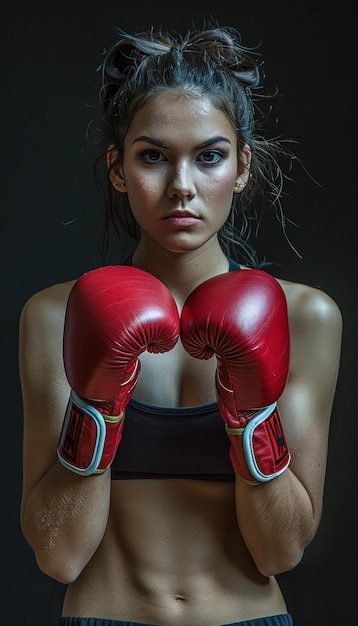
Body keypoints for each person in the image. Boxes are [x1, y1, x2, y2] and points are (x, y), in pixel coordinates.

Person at [19, 22, 342, 626]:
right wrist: (98, 406)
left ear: (242, 167)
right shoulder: (56, 315)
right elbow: (59, 555)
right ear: (118, 169)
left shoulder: (306, 316)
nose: (182, 187)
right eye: (153, 157)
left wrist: (251, 417)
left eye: (210, 156)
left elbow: (282, 548)